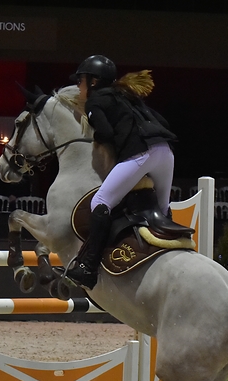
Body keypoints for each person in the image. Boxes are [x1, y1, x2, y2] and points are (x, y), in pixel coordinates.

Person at [65, 54, 185, 290]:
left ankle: (88, 267)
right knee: (161, 211)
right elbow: (160, 121)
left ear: (94, 82)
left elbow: (106, 133)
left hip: (140, 153)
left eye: (81, 80)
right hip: (165, 152)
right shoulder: (126, 95)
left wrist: (96, 136)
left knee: (101, 201)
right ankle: (169, 262)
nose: (79, 86)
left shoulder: (95, 101)